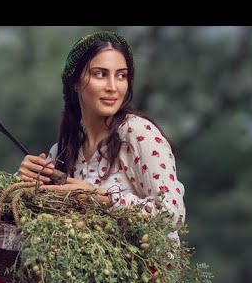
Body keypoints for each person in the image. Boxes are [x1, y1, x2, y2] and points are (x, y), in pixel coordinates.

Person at [17, 30, 185, 229]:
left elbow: (172, 216)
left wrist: (101, 198)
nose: (113, 87)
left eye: (121, 76)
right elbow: (37, 219)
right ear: (75, 82)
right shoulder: (64, 149)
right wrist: (26, 181)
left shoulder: (138, 134)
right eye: (100, 74)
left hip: (142, 260)